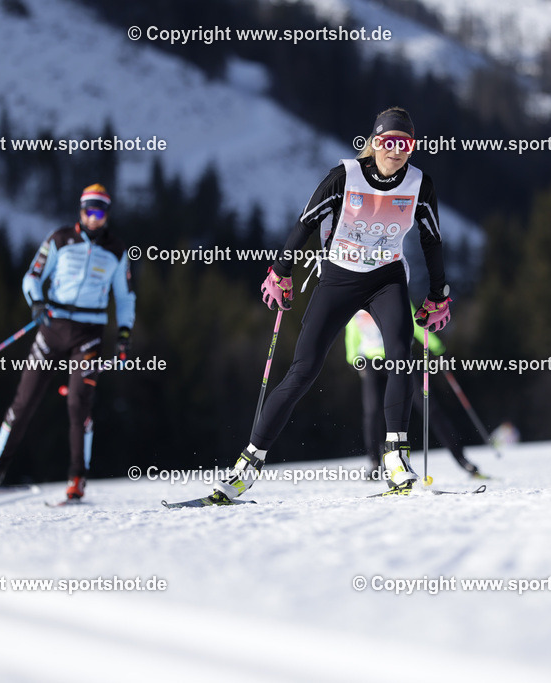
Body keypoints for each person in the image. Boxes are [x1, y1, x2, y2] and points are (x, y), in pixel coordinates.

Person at [203, 106, 451, 504]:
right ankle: (247, 466)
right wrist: (280, 272)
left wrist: (438, 294)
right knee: (303, 370)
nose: (397, 150)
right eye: (389, 142)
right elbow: (304, 223)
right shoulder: (344, 177)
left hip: (387, 278)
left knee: (401, 357)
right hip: (339, 277)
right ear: (375, 142)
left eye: (405, 143)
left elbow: (432, 240)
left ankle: (395, 457)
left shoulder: (420, 184)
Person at [0, 184, 136, 500]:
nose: (93, 217)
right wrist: (37, 302)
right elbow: (32, 276)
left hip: (89, 334)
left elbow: (125, 298)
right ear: (80, 211)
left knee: (77, 402)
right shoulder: (59, 239)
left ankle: (77, 478)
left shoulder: (116, 249)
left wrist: (124, 334)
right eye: (88, 210)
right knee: (24, 401)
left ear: (106, 215)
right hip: (52, 327)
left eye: (99, 211)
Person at [344, 307, 483, 478]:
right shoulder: (357, 302)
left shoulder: (391, 292)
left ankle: (461, 459)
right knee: (372, 412)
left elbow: (418, 324)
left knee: (428, 407)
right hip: (371, 362)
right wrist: (351, 358)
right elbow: (352, 332)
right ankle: (375, 464)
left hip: (400, 359)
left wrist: (437, 347)